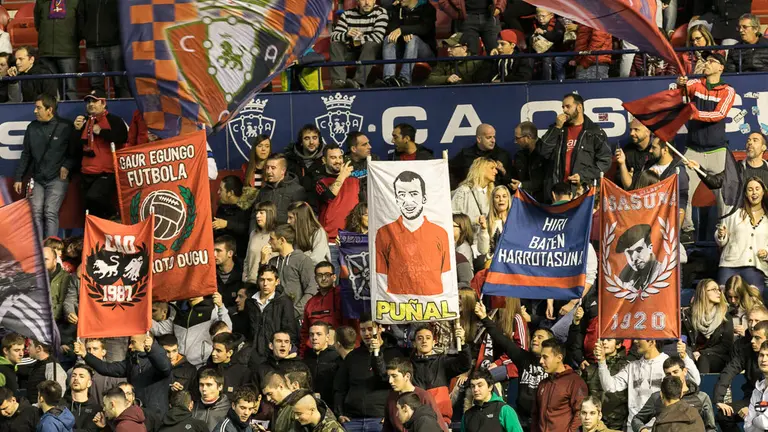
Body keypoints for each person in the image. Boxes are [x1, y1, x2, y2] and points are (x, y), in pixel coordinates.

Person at [678, 52, 736, 242]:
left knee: (723, 195)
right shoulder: (696, 84)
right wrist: (681, 86)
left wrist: (695, 114)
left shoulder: (728, 91)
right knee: (682, 189)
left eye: (712, 61)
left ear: (721, 67)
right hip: (694, 149)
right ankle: (687, 231)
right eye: (706, 61)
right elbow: (684, 96)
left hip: (717, 150)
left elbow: (719, 114)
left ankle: (724, 231)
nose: (707, 64)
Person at [473, 302, 551, 429]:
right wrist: (484, 317)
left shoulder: (556, 367)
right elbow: (501, 340)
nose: (535, 339)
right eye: (534, 336)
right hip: (521, 419)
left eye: (540, 337)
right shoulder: (523, 358)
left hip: (544, 421)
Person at [596, 338, 701, 431]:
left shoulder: (668, 364)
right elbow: (609, 386)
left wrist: (685, 357)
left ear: (651, 342)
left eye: (639, 338)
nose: (635, 341)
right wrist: (601, 362)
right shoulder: (631, 367)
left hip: (662, 426)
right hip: (635, 427)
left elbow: (695, 380)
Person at [376, 171, 451, 296]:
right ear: (396, 199)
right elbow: (381, 274)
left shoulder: (440, 233)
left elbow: (447, 274)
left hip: (433, 303)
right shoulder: (384, 232)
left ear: (424, 198)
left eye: (414, 194)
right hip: (396, 304)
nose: (408, 201)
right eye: (401, 194)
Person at [15, 94, 75, 239]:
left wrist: (67, 165)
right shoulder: (32, 127)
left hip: (57, 179)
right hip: (38, 178)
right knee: (35, 212)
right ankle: (38, 249)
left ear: (50, 110)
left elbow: (75, 152)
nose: (35, 111)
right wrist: (19, 177)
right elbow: (26, 154)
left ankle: (50, 248)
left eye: (38, 108)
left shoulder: (66, 126)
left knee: (50, 211)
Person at [334, 314, 405, 432]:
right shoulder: (352, 356)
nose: (366, 333)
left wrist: (391, 415)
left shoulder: (394, 354)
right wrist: (339, 414)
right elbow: (339, 388)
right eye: (362, 330)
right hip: (352, 420)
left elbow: (392, 383)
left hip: (380, 420)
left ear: (380, 328)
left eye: (370, 329)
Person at [75, 333, 172, 415]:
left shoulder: (159, 360)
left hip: (157, 416)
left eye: (133, 342)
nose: (129, 346)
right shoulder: (131, 362)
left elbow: (165, 368)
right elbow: (106, 368)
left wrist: (153, 348)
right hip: (137, 414)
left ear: (145, 343)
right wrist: (85, 355)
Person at [539, 93, 612, 199]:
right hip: (558, 191)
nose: (564, 110)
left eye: (568, 106)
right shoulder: (557, 129)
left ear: (579, 107)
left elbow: (605, 161)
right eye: (563, 107)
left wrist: (583, 176)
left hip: (581, 191)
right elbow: (543, 151)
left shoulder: (595, 132)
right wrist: (557, 128)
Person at [73, 89, 130, 219]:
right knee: (91, 212)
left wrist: (101, 132)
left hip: (107, 172)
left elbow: (123, 138)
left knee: (94, 196)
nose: (91, 104)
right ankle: (99, 236)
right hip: (86, 173)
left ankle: (113, 214)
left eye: (95, 101)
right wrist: (76, 131)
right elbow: (75, 148)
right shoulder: (83, 122)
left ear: (104, 103)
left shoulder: (115, 120)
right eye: (88, 102)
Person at [714, 308, 768, 432]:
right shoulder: (746, 349)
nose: (752, 324)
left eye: (757, 320)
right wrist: (719, 400)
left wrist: (752, 412)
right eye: (750, 320)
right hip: (751, 398)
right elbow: (728, 372)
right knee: (723, 415)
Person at [631, 356, 716, 432]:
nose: (672, 376)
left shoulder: (701, 397)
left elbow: (711, 428)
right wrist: (642, 429)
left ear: (685, 371)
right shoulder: (657, 397)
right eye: (668, 374)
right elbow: (637, 420)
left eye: (675, 372)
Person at [151, 293, 232, 369]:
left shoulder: (212, 309)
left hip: (203, 365)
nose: (191, 290)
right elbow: (160, 329)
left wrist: (221, 307)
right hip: (180, 365)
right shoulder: (178, 312)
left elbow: (227, 331)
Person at [715, 177, 768, 291]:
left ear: (763, 192)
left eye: (757, 189)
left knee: (754, 301)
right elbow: (721, 239)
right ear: (745, 193)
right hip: (729, 264)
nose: (754, 192)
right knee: (724, 300)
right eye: (750, 189)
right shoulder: (734, 213)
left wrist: (766, 253)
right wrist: (721, 235)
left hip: (756, 267)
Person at [262, 224, 319, 318]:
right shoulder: (272, 261)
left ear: (282, 240)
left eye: (272, 239)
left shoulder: (303, 260)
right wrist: (263, 262)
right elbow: (262, 286)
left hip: (295, 319)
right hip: (274, 316)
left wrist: (294, 312)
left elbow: (311, 291)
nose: (269, 242)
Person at [244, 266, 300, 359]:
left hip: (275, 355)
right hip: (253, 355)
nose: (265, 283)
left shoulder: (284, 302)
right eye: (262, 280)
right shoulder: (250, 302)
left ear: (277, 281)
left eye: (269, 280)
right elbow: (246, 329)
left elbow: (290, 331)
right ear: (258, 281)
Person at [330, 0, 389, 89]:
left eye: (369, 0)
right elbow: (333, 37)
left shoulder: (381, 12)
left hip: (370, 53)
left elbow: (378, 37)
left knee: (370, 44)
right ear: (357, 1)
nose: (367, 3)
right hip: (352, 51)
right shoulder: (347, 14)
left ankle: (358, 82)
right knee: (335, 45)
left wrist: (359, 40)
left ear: (374, 1)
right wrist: (347, 34)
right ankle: (339, 82)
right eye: (363, 0)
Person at [531, 339, 587, 432]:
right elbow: (535, 415)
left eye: (545, 357)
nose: (541, 361)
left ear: (559, 358)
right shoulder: (542, 383)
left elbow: (580, 413)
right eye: (541, 357)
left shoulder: (575, 382)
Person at [690, 132, 768, 199]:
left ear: (763, 147)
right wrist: (698, 168)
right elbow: (715, 182)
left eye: (755, 140)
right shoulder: (736, 169)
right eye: (748, 140)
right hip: (741, 214)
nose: (750, 143)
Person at [79, 0, 130, 98]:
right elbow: (80, 16)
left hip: (114, 44)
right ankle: (98, 112)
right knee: (95, 84)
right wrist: (85, 33)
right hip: (92, 46)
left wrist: (118, 35)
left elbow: (125, 15)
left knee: (120, 82)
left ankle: (125, 111)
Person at [681, 279, 734, 373]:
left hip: (717, 357)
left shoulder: (725, 316)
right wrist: (691, 354)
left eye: (719, 290)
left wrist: (701, 353)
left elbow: (726, 345)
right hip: (693, 355)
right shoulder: (689, 315)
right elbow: (686, 341)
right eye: (714, 289)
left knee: (703, 359)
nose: (718, 292)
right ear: (703, 292)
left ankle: (701, 387)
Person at [315, 144, 361, 252]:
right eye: (333, 158)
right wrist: (342, 176)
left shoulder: (355, 181)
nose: (338, 161)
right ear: (324, 160)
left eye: (340, 157)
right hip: (330, 241)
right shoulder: (320, 182)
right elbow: (329, 197)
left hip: (353, 238)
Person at [380, 358, 447, 432]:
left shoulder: (424, 396)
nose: (390, 381)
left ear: (407, 376)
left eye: (394, 376)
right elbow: (387, 427)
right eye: (389, 376)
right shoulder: (391, 398)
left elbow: (439, 425)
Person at [380, 0, 436, 87]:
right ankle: (389, 78)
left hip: (425, 52)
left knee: (413, 39)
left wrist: (403, 30)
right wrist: (403, 32)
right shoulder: (398, 9)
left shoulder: (428, 8)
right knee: (389, 38)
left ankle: (405, 79)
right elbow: (392, 27)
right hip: (403, 50)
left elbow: (424, 28)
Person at [34, 0, 81, 100]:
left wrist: (71, 36)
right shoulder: (41, 2)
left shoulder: (75, 1)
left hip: (68, 51)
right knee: (50, 90)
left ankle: (70, 114)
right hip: (46, 52)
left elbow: (81, 24)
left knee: (70, 88)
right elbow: (38, 23)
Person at [452, 157, 497, 252]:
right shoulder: (464, 191)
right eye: (492, 168)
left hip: (486, 245)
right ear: (481, 169)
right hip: (466, 245)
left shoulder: (493, 194)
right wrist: (473, 220)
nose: (496, 172)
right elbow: (453, 218)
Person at [449, 123, 512, 188]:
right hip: (472, 195)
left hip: (495, 196)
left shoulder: (503, 155)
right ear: (479, 139)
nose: (493, 140)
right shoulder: (466, 154)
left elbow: (512, 183)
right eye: (489, 137)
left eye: (494, 137)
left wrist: (504, 172)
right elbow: (449, 171)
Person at [435, 0, 505, 57]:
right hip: (466, 18)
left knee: (497, 52)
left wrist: (499, 7)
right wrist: (457, 14)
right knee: (470, 56)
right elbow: (442, 1)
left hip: (490, 16)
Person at [301, 262, 345, 352]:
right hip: (314, 353)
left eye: (327, 275)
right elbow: (305, 333)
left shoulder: (342, 297)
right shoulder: (310, 303)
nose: (324, 278)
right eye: (320, 275)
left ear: (334, 277)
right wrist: (302, 355)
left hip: (337, 351)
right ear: (315, 278)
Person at [252, 154, 307, 224]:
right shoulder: (262, 191)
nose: (268, 171)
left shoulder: (297, 191)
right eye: (267, 167)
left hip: (284, 234)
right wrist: (253, 233)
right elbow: (254, 216)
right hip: (262, 233)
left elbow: (299, 221)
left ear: (283, 171)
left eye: (273, 168)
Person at [200, 333, 250, 400]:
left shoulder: (243, 373)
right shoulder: (203, 370)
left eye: (218, 351)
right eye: (213, 349)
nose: (213, 353)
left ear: (229, 353)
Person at [302, 320, 342, 404]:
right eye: (311, 334)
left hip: (332, 406)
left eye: (319, 334)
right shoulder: (306, 358)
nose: (314, 337)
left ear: (327, 337)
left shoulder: (336, 357)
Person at [614, 224, 662, 292]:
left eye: (639, 250)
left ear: (650, 248)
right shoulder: (624, 277)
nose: (634, 257)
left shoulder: (662, 272)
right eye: (629, 253)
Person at [214, 176, 250, 258]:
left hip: (241, 257)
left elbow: (247, 229)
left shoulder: (247, 208)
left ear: (230, 193)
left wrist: (227, 224)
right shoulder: (221, 208)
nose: (218, 192)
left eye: (221, 189)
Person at [510, 122, 546, 202]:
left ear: (527, 137)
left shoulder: (545, 154)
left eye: (517, 138)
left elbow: (544, 181)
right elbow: (514, 177)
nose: (515, 141)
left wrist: (522, 185)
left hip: (543, 202)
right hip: (524, 201)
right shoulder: (519, 156)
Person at [244, 201, 277, 284]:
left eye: (261, 213)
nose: (257, 215)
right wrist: (245, 277)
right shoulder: (253, 233)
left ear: (270, 214)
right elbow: (247, 259)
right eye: (257, 212)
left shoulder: (276, 235)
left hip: (268, 283)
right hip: (250, 281)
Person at [615, 120, 653, 190]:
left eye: (636, 130)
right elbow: (618, 177)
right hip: (631, 194)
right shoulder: (627, 150)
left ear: (647, 132)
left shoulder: (655, 150)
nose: (631, 133)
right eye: (630, 130)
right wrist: (626, 176)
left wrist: (634, 179)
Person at [62, 365, 100, 432]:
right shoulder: (60, 405)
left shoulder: (96, 409)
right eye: (73, 376)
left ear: (89, 383)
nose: (76, 378)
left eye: (81, 376)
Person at [215, 236, 244, 312]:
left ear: (230, 253)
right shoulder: (210, 273)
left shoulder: (243, 272)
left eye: (218, 251)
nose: (214, 254)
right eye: (213, 250)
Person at [745, 340, 768, 432]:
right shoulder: (757, 390)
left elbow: (765, 423)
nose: (764, 359)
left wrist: (754, 420)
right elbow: (747, 427)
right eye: (761, 355)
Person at [43, 246, 70, 323]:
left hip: (54, 322)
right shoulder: (34, 277)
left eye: (45, 259)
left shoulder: (65, 278)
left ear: (55, 261)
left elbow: (62, 305)